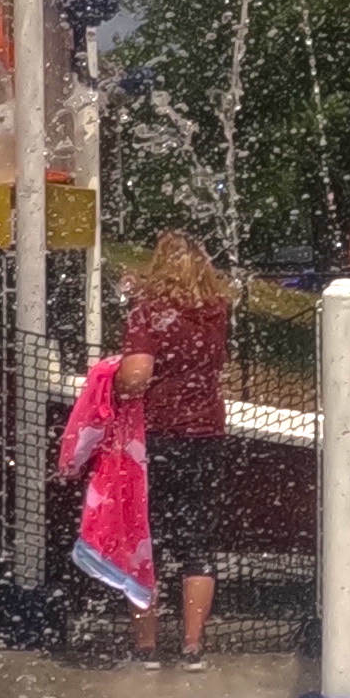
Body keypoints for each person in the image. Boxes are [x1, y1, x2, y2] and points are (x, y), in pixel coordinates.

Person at [128, 231, 232, 666]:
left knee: (143, 537)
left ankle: (146, 646)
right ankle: (192, 645)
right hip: (205, 435)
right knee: (197, 539)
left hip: (156, 434)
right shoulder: (215, 313)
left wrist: (111, 378)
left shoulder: (148, 315)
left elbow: (137, 376)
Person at [54, 324, 155, 648]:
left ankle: (146, 647)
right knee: (187, 552)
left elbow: (89, 428)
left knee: (140, 546)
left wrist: (71, 464)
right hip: (189, 443)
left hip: (130, 469)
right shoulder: (204, 330)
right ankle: (192, 646)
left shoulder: (110, 379)